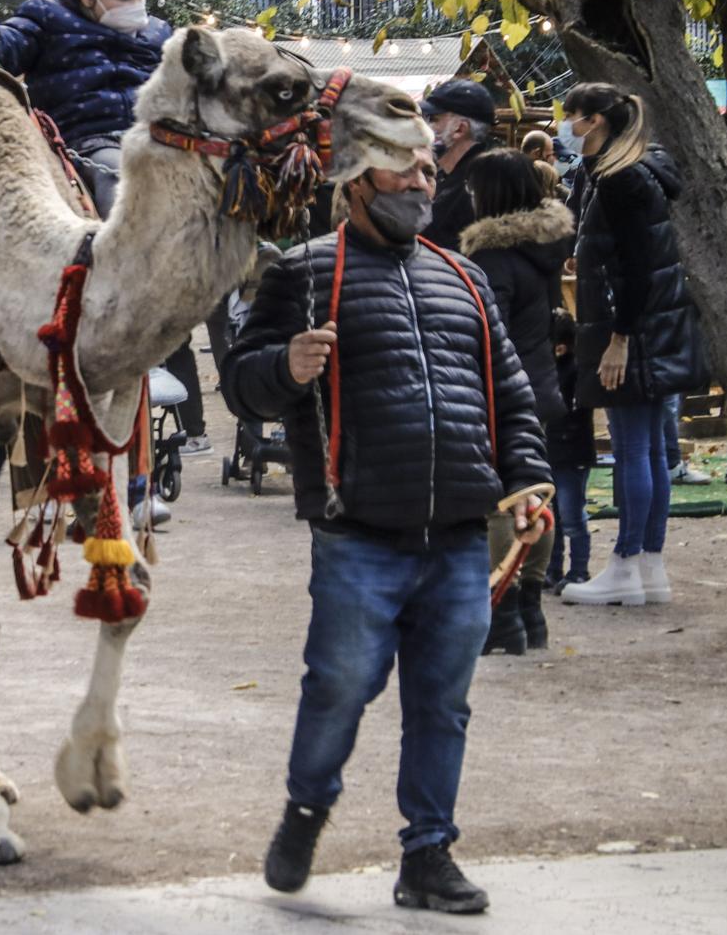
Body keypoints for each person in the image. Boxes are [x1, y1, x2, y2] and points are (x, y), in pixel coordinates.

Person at [224, 129, 551, 916]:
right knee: (338, 688)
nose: (421, 181)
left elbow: (509, 393)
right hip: (357, 537)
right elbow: (243, 386)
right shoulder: (302, 273)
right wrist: (284, 367)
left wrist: (526, 483)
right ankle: (306, 811)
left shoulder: (465, 278)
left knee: (443, 703)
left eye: (429, 169)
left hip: (460, 541)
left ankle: (428, 853)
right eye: (403, 166)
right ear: (355, 178)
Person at [0, 0, 211, 455]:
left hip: (155, 139)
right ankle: (125, 275)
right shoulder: (46, 16)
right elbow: (6, 53)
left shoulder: (157, 34)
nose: (138, 6)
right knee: (118, 180)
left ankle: (208, 277)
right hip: (87, 142)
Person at [555, 84, 705, 607]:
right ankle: (647, 566)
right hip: (651, 325)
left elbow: (637, 267)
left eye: (570, 117)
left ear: (594, 121)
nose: (565, 126)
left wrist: (619, 337)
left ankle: (626, 560)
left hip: (631, 330)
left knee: (632, 450)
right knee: (650, 452)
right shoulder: (634, 172)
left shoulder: (619, 179)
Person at [458, 148, 572, 655]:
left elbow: (488, 331)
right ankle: (530, 609)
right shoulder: (543, 245)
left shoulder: (492, 256)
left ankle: (503, 610)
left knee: (502, 502)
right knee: (536, 495)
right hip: (542, 381)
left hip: (503, 388)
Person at [543, 312, 596, 589]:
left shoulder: (574, 372)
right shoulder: (550, 371)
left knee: (572, 515)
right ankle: (554, 569)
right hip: (554, 451)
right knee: (555, 517)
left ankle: (578, 570)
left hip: (571, 453)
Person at [420, 78, 501, 248]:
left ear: (459, 129)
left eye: (433, 119)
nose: (423, 126)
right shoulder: (445, 176)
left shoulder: (482, 185)